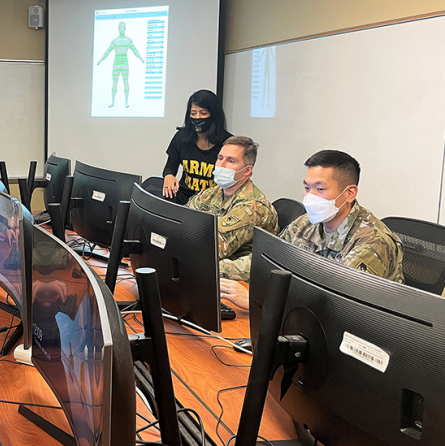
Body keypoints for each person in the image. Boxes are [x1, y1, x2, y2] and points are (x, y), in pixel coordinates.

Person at [219, 150, 404, 309]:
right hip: (299, 316)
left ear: (349, 193)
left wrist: (260, 299)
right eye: (307, 188)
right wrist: (215, 270)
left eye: (320, 189)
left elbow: (337, 303)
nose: (310, 197)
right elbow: (267, 260)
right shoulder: (306, 223)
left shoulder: (372, 241)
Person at [186, 136, 278, 268]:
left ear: (247, 170)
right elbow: (183, 219)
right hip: (208, 264)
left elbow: (212, 248)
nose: (221, 165)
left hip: (236, 272)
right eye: (220, 158)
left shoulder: (252, 206)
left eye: (231, 161)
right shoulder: (212, 193)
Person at [162, 90, 232, 204]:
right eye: (193, 113)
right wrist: (168, 176)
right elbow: (170, 166)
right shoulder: (181, 138)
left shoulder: (228, 144)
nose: (197, 117)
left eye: (203, 113)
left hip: (212, 203)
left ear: (214, 115)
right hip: (183, 198)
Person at [96, 21, 145, 109]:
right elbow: (107, 52)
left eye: (123, 27)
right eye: (120, 27)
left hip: (124, 63)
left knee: (125, 81)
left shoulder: (128, 40)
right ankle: (112, 102)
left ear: (125, 28)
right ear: (118, 29)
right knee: (115, 82)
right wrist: (100, 60)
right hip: (116, 63)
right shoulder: (115, 41)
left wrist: (141, 58)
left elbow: (135, 50)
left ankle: (126, 101)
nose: (122, 29)